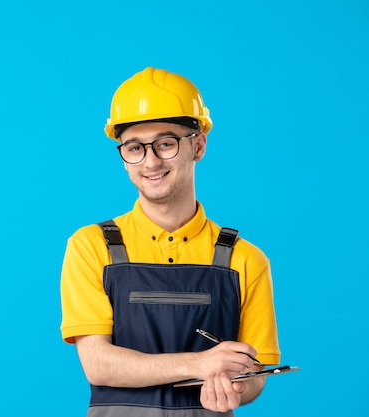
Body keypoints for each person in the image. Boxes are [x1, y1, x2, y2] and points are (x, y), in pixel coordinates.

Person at [59, 67, 280, 417]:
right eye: (135, 147)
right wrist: (201, 363)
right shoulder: (91, 246)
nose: (150, 161)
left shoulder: (245, 260)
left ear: (199, 146)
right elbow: (99, 365)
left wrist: (236, 386)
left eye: (165, 143)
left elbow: (256, 375)